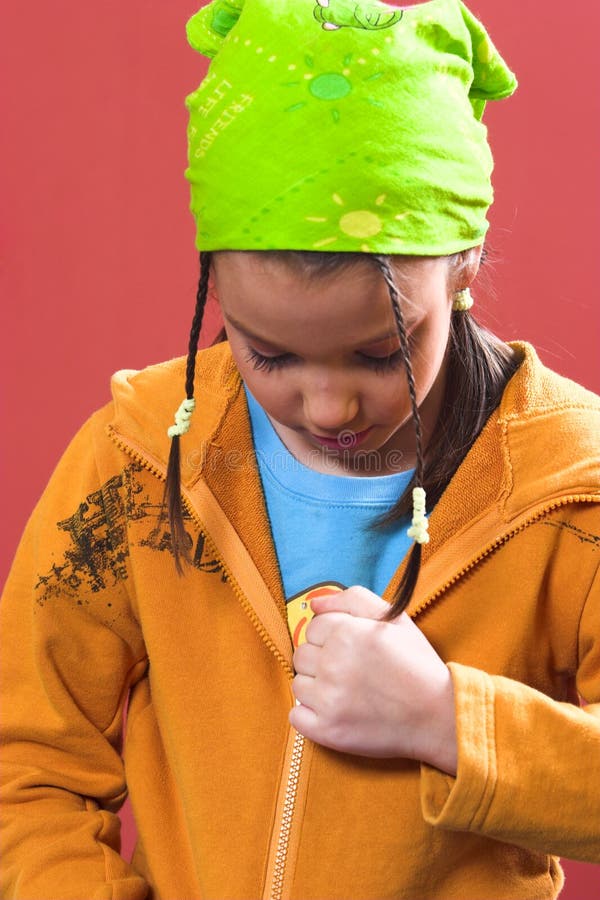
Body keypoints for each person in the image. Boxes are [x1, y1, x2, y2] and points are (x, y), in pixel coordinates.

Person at [1, 0, 599, 898]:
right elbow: (29, 764)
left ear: (465, 259)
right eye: (268, 353)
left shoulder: (572, 489)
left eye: (376, 352)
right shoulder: (135, 464)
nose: (327, 405)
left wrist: (448, 722)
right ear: (215, 284)